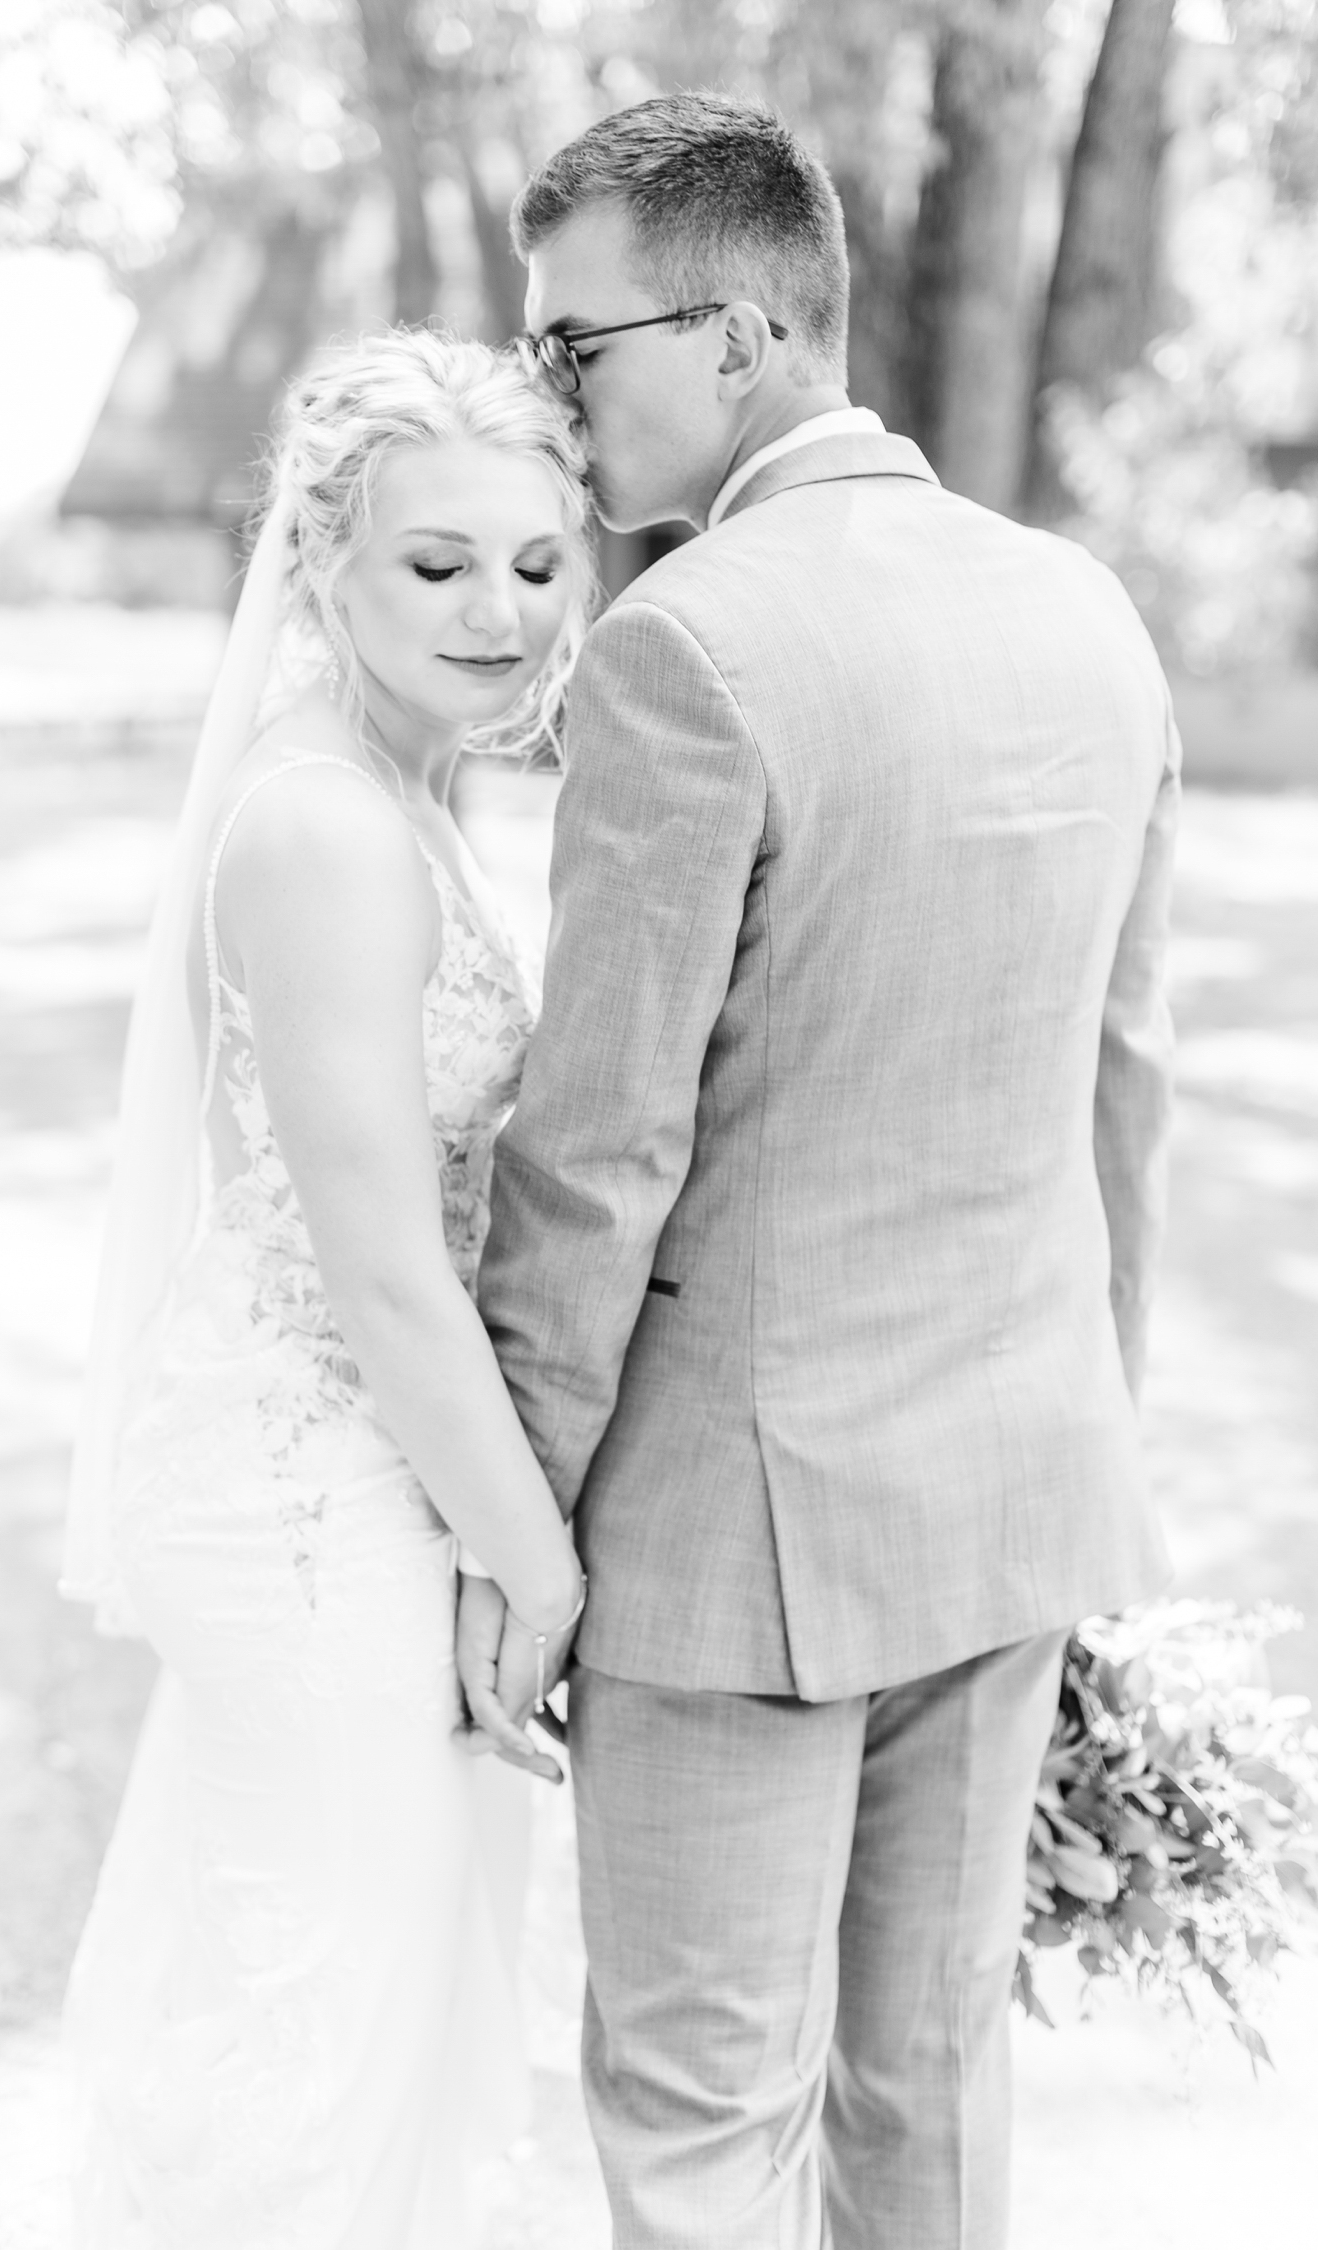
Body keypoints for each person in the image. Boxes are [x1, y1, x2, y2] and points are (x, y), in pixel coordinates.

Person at [460, 92, 1179, 2248]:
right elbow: (1122, 1087)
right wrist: (1084, 1432)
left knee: (695, 2118)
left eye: (577, 350)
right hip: (1010, 1484)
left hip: (728, 1539)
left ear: (750, 332)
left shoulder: (685, 650)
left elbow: (597, 1163)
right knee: (931, 2093)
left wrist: (520, 1532)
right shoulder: (1085, 611)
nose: (546, 399)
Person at [59, 329, 595, 2249]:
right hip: (309, 1495)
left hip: (361, 1468)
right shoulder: (323, 826)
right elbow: (377, 1266)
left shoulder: (401, 791)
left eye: (535, 565)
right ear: (323, 565)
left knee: (359, 2003)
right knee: (326, 2025)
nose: (498, 611)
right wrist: (532, 1556)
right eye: (436, 564)